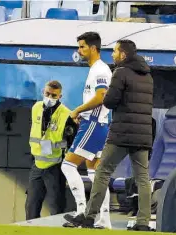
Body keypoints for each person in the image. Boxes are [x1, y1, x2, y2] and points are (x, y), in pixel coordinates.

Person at [64, 39, 154, 231]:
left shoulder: (120, 72)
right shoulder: (148, 76)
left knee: (102, 172)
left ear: (123, 54)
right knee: (143, 179)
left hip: (122, 133)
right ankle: (143, 222)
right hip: (143, 135)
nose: (112, 55)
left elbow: (110, 101)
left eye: (114, 51)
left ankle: (89, 217)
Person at [61, 32, 113, 229]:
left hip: (92, 122)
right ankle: (104, 219)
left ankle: (82, 210)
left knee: (67, 165)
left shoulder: (100, 70)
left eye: (82, 47)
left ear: (93, 48)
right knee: (96, 174)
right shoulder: (97, 69)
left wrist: (78, 110)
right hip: (99, 124)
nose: (79, 51)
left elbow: (101, 96)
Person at [26, 80, 77, 220]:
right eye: (47, 94)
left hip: (55, 165)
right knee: (31, 205)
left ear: (60, 96)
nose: (50, 97)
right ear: (43, 91)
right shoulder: (35, 107)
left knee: (56, 206)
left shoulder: (67, 114)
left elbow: (72, 141)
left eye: (54, 95)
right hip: (37, 164)